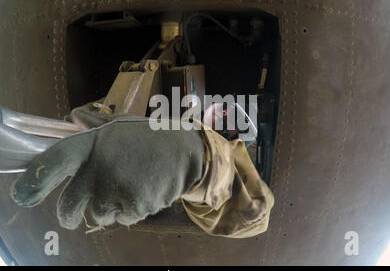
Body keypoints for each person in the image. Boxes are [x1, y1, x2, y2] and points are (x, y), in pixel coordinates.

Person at [11, 102, 274, 238]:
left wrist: (196, 160)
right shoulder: (171, 123)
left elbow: (257, 218)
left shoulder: (225, 160)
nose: (219, 114)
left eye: (227, 121)